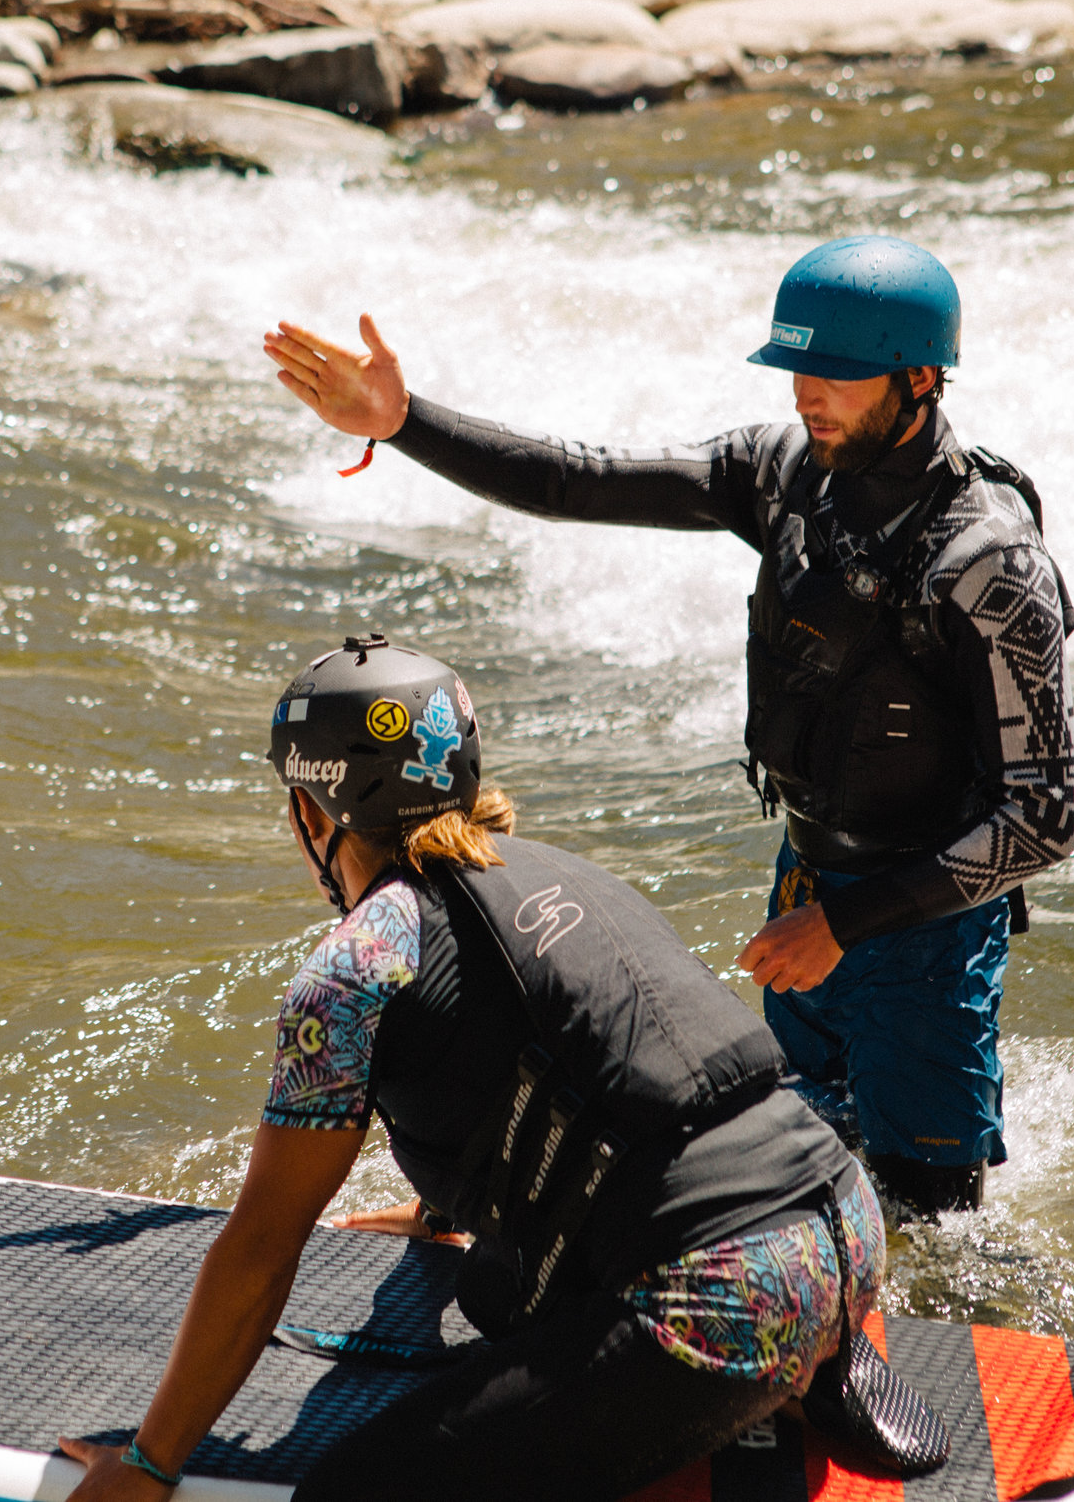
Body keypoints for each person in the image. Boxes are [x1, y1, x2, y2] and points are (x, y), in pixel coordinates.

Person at [261, 237, 1074, 1219]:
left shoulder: (990, 562)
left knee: (932, 1217)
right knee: (804, 1169)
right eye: (795, 369)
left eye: (835, 374)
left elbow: (1042, 815)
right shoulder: (784, 475)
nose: (805, 394)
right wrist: (405, 422)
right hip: (810, 885)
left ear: (918, 377)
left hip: (923, 927)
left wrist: (842, 927)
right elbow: (578, 478)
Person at [61, 634, 938, 1502]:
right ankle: (808, 1356)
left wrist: (147, 1465)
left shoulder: (358, 962)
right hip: (845, 1223)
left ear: (313, 812)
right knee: (491, 1283)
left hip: (729, 1293)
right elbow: (582, 1061)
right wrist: (438, 1206)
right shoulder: (560, 873)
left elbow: (262, 1245)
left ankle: (774, 1364)